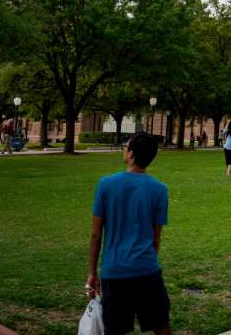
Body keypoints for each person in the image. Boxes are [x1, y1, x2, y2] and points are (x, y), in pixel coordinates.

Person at [86, 133, 171, 335]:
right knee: (161, 326)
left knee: (115, 330)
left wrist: (92, 272)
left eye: (126, 146)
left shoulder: (106, 184)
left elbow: (96, 235)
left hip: (114, 272)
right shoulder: (159, 190)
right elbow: (156, 237)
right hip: (147, 269)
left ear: (131, 153)